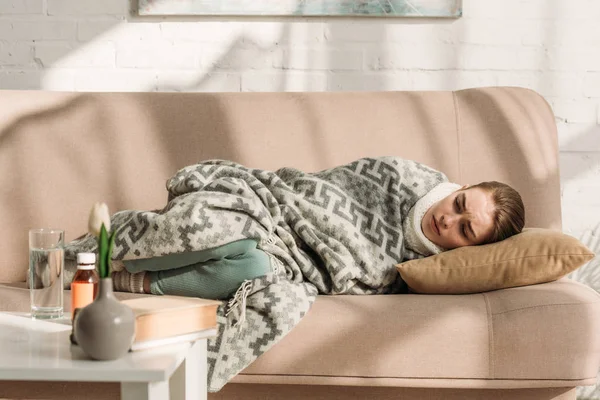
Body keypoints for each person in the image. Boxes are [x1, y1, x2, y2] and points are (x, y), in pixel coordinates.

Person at [110, 172, 525, 299]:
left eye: (465, 229)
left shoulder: (429, 269)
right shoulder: (406, 177)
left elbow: (362, 277)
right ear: (462, 188)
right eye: (459, 204)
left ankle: (132, 282)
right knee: (231, 232)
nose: (447, 220)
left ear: (472, 247)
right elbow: (323, 187)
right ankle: (112, 254)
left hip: (294, 260)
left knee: (254, 266)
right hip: (275, 207)